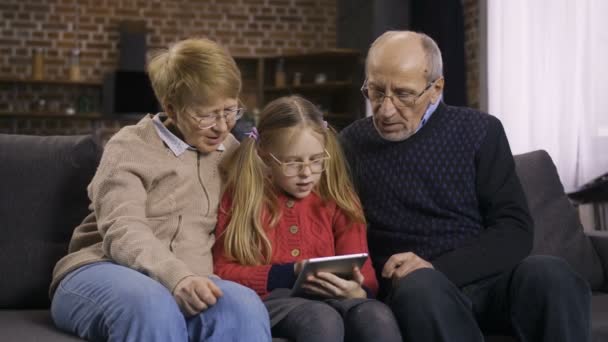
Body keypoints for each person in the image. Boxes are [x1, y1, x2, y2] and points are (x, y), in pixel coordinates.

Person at [340, 31, 591, 342]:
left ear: (436, 89)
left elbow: (515, 231)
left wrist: (436, 266)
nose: (386, 109)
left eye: (403, 94)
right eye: (376, 92)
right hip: (416, 291)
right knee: (420, 285)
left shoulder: (481, 131)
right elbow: (339, 230)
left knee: (551, 274)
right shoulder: (351, 143)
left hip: (489, 282)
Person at [49, 38, 271, 342]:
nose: (222, 127)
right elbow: (123, 228)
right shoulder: (129, 146)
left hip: (192, 282)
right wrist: (176, 277)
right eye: (206, 115)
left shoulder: (231, 152)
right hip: (102, 269)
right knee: (152, 305)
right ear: (171, 107)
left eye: (230, 110)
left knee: (245, 307)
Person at [212, 95, 402, 342]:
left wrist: (358, 290)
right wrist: (288, 273)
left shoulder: (338, 197)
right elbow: (222, 271)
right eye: (292, 163)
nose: (306, 174)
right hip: (271, 303)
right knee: (321, 319)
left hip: (332, 298)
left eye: (315, 160)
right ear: (265, 155)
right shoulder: (242, 196)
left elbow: (363, 271)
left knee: (376, 316)